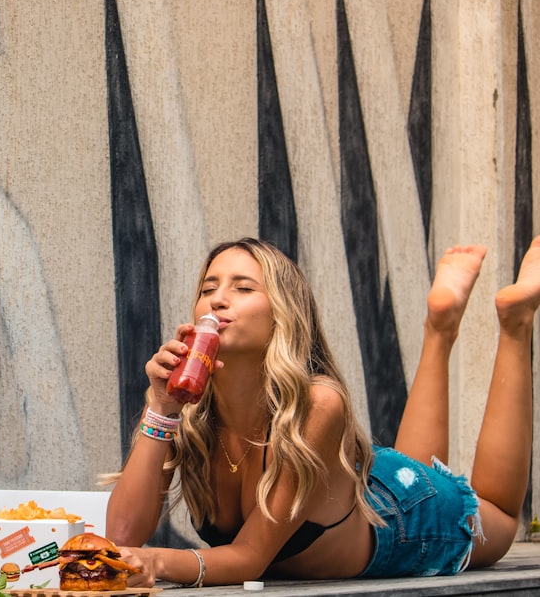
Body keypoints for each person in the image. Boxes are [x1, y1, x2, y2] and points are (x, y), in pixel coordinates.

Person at [105, 236, 540, 586]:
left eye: (242, 288)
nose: (217, 300)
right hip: (357, 482)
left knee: (498, 516)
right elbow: (121, 538)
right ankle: (441, 326)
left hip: (406, 519)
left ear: (285, 315)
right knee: (415, 464)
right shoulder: (188, 412)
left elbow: (251, 559)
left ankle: (515, 321)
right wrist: (161, 408)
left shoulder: (317, 404)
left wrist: (156, 562)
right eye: (208, 288)